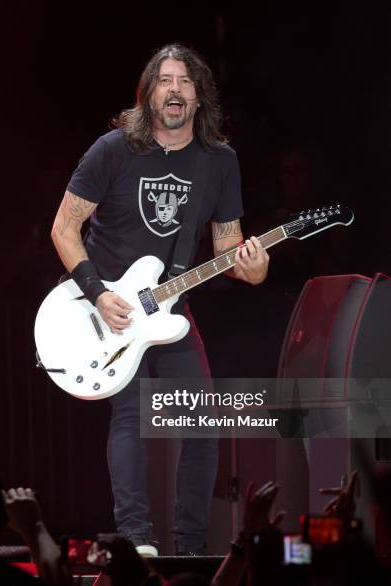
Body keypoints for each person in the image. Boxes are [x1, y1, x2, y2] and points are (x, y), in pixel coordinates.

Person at [51, 43, 269, 557]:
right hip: (107, 308)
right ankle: (135, 539)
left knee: (201, 423)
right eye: (165, 80)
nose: (175, 89)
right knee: (129, 417)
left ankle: (190, 546)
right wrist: (98, 293)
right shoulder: (112, 150)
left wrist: (254, 268)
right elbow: (64, 228)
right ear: (148, 94)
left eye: (185, 82)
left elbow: (227, 247)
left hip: (171, 307)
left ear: (198, 98)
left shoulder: (220, 162)